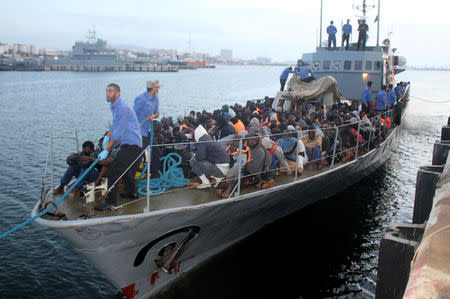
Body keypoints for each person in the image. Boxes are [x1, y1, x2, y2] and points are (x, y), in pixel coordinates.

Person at [95, 83, 143, 211]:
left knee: (113, 172)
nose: (107, 93)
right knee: (125, 170)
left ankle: (110, 203)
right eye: (106, 91)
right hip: (128, 143)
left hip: (132, 144)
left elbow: (119, 132)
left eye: (110, 91)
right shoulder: (114, 106)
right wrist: (107, 136)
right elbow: (115, 125)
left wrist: (106, 150)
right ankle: (132, 192)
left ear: (118, 93)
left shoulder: (122, 107)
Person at [133, 80, 161, 149]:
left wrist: (152, 116)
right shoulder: (141, 99)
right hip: (140, 131)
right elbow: (133, 113)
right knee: (142, 153)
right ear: (153, 88)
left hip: (149, 131)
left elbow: (157, 114)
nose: (158, 89)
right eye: (157, 87)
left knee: (156, 152)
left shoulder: (156, 99)